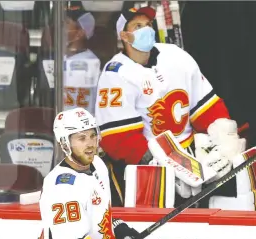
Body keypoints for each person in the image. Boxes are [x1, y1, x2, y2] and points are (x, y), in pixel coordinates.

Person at [95, 6, 245, 206]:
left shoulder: (176, 56)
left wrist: (224, 139)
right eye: (137, 26)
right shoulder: (116, 73)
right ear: (124, 35)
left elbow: (206, 107)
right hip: (147, 167)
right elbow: (118, 139)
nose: (146, 30)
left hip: (191, 158)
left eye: (148, 25)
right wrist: (162, 166)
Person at [37, 108, 160, 239]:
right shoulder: (62, 187)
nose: (90, 143)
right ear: (65, 143)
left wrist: (121, 230)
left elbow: (99, 213)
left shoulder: (98, 165)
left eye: (93, 135)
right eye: (81, 138)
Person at [63, 4, 101, 115]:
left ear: (80, 33)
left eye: (67, 24)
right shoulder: (59, 56)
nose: (62, 28)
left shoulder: (90, 62)